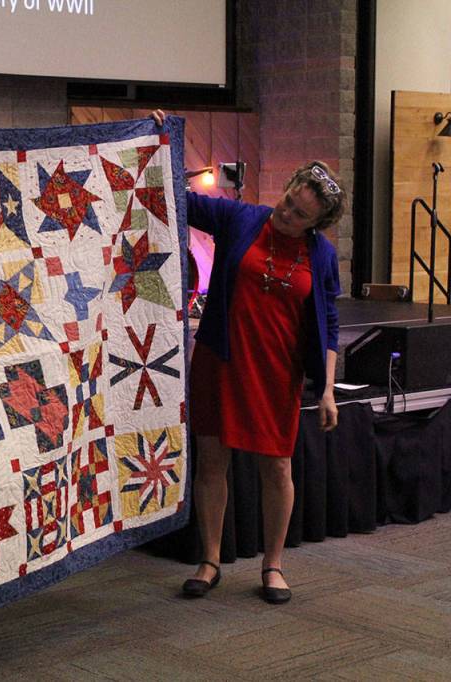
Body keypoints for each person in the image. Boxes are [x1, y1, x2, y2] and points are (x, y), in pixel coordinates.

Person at [149, 110, 344, 605]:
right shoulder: (242, 218)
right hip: (221, 360)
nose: (286, 215)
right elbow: (181, 198)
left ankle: (273, 565)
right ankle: (210, 560)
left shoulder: (320, 256)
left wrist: (327, 388)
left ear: (318, 223)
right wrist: (161, 140)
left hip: (277, 374)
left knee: (276, 469)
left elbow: (329, 323)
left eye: (300, 214)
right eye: (287, 201)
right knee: (212, 462)